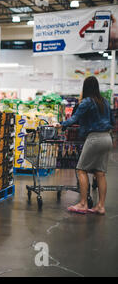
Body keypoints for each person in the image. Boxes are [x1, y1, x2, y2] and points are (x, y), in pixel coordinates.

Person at [56, 76, 114, 215]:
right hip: (107, 138)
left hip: (94, 138)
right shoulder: (104, 101)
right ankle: (100, 206)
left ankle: (83, 203)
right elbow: (112, 120)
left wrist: (61, 124)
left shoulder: (87, 101)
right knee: (100, 173)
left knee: (81, 169)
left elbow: (75, 118)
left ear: (85, 87)